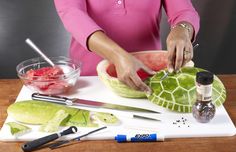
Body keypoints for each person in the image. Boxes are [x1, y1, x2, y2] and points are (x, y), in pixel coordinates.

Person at [54, 0, 200, 93]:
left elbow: (184, 11)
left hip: (150, 80)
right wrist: (117, 56)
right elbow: (71, 13)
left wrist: (183, 28)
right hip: (91, 82)